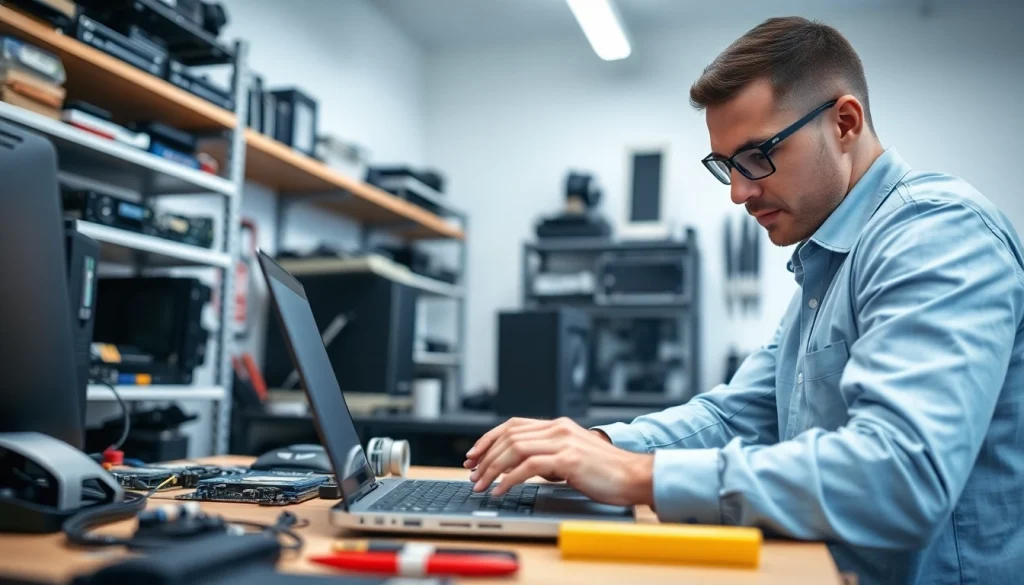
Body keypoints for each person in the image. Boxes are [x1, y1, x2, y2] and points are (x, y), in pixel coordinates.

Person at [464, 16, 1024, 585]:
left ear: (845, 123)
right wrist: (594, 445)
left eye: (757, 156)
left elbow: (900, 476)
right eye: (727, 165)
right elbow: (740, 415)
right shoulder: (828, 265)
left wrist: (639, 475)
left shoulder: (935, 234)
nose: (739, 192)